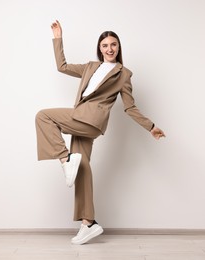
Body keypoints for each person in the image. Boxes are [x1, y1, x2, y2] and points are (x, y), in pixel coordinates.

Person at [35, 20, 166, 245]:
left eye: (113, 44)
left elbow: (129, 107)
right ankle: (89, 223)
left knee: (43, 116)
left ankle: (65, 159)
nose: (109, 49)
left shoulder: (123, 74)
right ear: (100, 48)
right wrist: (57, 38)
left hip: (91, 120)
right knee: (83, 168)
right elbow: (62, 66)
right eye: (105, 45)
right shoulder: (90, 67)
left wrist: (151, 126)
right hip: (80, 116)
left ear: (119, 47)